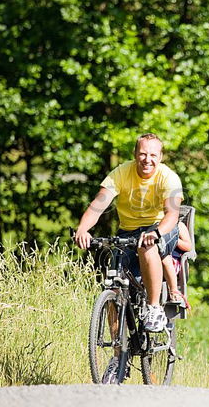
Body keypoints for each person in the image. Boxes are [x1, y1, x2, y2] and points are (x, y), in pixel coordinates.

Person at [74, 133, 184, 339]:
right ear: (135, 154)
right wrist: (82, 229)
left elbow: (172, 215)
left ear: (160, 157)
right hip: (128, 230)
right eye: (142, 154)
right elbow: (98, 207)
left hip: (161, 228)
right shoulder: (121, 173)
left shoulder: (169, 178)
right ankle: (118, 357)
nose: (147, 159)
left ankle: (154, 307)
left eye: (153, 155)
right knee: (114, 285)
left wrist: (156, 232)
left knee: (147, 245)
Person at [163, 220, 192, 308]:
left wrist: (174, 238)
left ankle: (174, 291)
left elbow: (188, 246)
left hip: (172, 261)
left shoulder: (178, 225)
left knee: (164, 259)